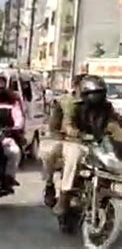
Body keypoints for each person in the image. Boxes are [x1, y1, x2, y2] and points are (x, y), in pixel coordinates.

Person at [51, 75, 122, 215]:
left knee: (116, 158)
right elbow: (68, 124)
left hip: (99, 144)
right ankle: (64, 197)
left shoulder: (107, 107)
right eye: (92, 93)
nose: (96, 96)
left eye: (99, 92)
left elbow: (114, 123)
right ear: (84, 93)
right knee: (74, 156)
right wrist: (77, 133)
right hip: (76, 142)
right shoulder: (75, 105)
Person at [41, 74, 86, 208]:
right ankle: (50, 184)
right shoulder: (63, 101)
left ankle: (65, 193)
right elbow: (56, 125)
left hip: (86, 143)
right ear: (75, 86)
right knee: (48, 152)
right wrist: (65, 132)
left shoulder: (100, 104)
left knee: (74, 156)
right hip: (64, 139)